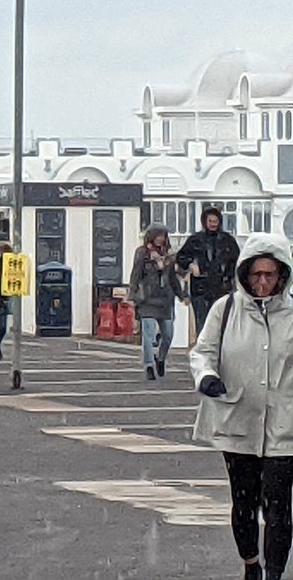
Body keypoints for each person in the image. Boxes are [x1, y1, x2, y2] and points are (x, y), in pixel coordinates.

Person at [189, 233, 293, 580]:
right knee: (245, 503)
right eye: (256, 275)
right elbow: (202, 351)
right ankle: (251, 562)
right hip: (239, 421)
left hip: (285, 425)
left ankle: (275, 574)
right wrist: (206, 376)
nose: (263, 282)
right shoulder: (226, 309)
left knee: (279, 508)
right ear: (244, 274)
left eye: (270, 274)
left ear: (282, 275)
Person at [129, 224, 189, 380]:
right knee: (148, 334)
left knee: (168, 334)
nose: (160, 239)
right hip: (147, 299)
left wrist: (181, 295)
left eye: (163, 235)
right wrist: (133, 295)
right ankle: (148, 365)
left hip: (165, 300)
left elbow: (173, 278)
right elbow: (136, 274)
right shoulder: (142, 253)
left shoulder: (169, 255)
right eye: (158, 235)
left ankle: (160, 358)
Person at [177, 206, 240, 335]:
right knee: (203, 324)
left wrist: (231, 279)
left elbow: (237, 261)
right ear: (204, 222)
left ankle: (220, 352)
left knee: (221, 324)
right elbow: (180, 257)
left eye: (215, 221)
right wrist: (190, 265)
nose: (213, 224)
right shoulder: (195, 240)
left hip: (222, 288)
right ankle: (204, 352)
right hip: (200, 289)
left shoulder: (228, 241)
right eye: (210, 221)